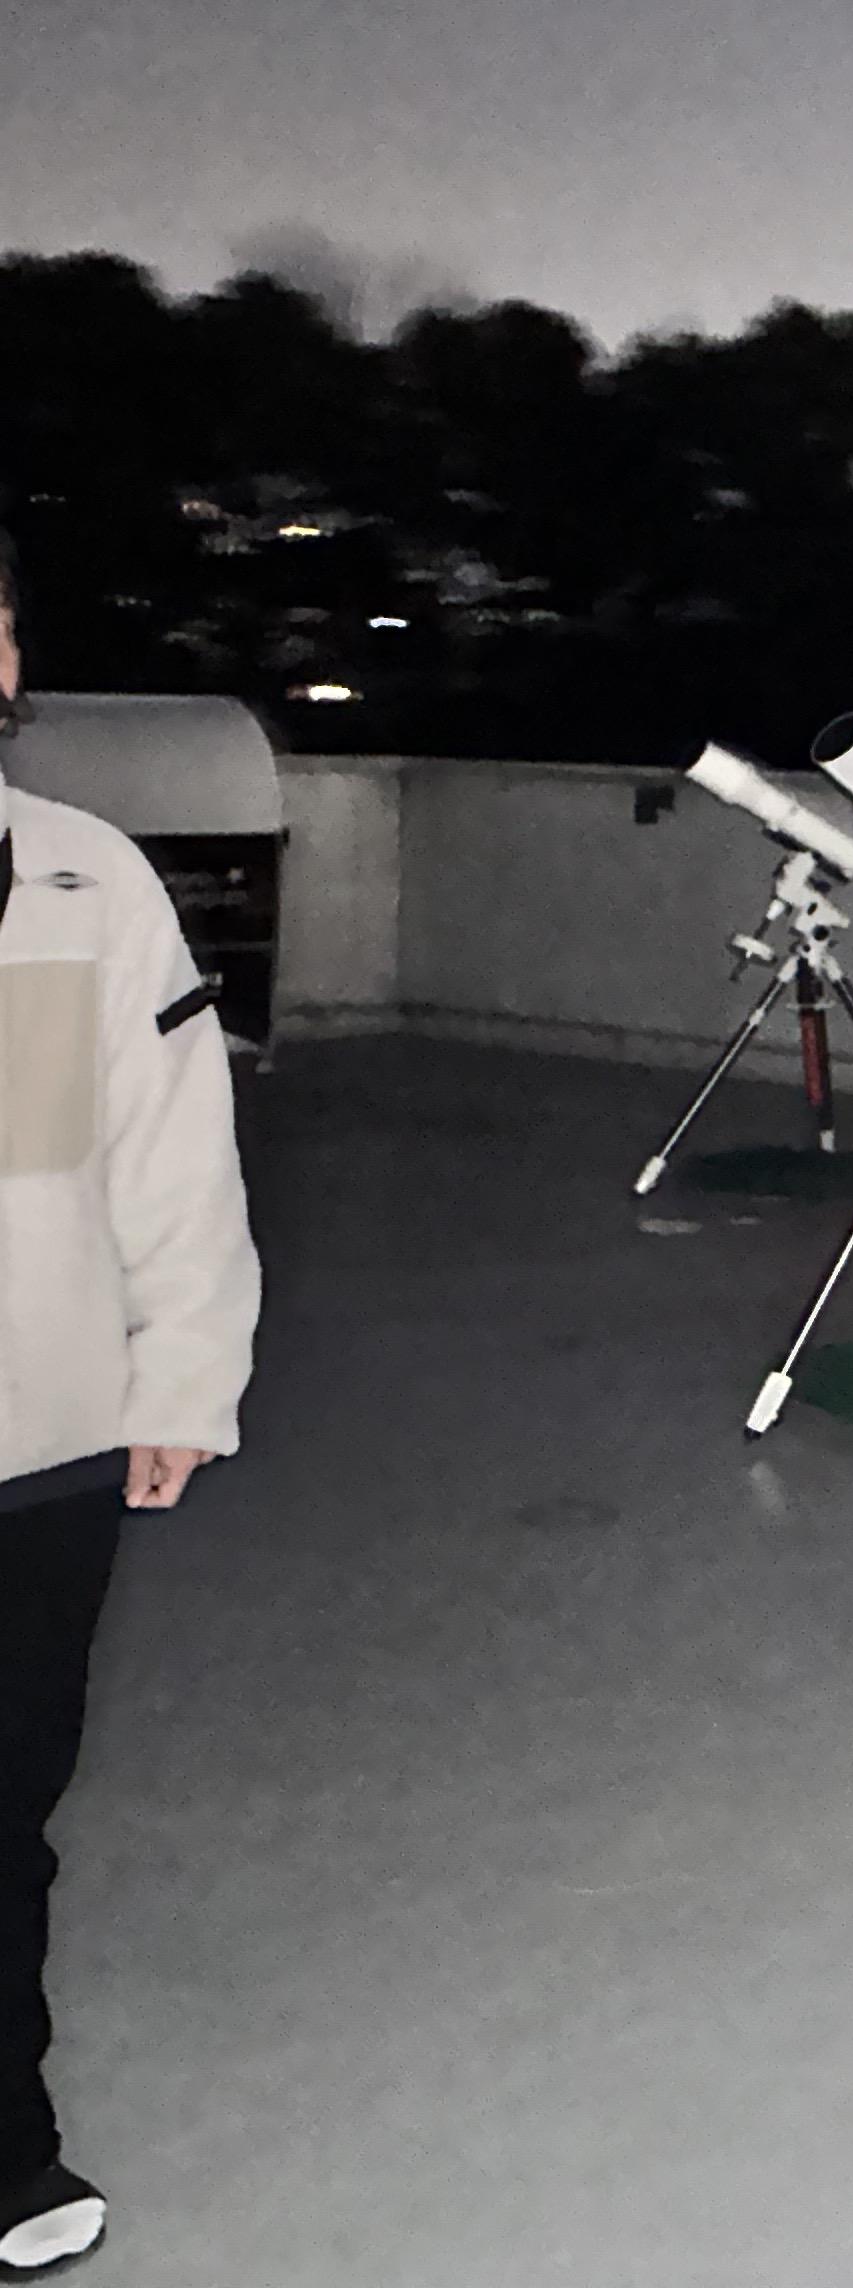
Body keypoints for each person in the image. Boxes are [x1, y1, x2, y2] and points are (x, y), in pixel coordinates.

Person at [0, 526, 260, 2276]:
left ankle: (0, 2145)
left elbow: (167, 1152)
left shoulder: (84, 883)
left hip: (41, 1437)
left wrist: (182, 1376)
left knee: (4, 1808)